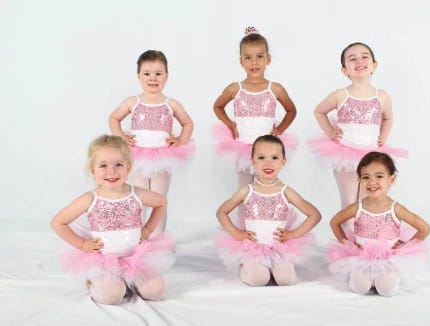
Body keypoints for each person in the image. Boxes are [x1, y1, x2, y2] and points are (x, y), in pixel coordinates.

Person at [50, 135, 175, 305]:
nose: (112, 172)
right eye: (103, 166)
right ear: (93, 170)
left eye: (118, 164)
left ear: (128, 167)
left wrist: (146, 230)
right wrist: (82, 244)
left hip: (134, 257)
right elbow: (58, 222)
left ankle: (130, 282)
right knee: (111, 296)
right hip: (103, 260)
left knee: (156, 291)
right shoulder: (90, 198)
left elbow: (161, 203)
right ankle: (95, 282)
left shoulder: (136, 193)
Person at [309, 42, 407, 216]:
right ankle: (348, 237)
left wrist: (383, 137)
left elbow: (388, 117)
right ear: (345, 70)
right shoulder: (341, 95)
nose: (359, 61)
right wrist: (331, 132)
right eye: (352, 59)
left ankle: (364, 236)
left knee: (368, 198)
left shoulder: (382, 96)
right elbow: (319, 111)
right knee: (348, 200)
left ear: (374, 65)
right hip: (345, 152)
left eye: (364, 57)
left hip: (371, 153)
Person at [215, 135, 321, 286]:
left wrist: (294, 234)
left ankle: (272, 267)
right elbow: (222, 212)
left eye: (275, 157)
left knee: (287, 280)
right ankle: (248, 266)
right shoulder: (247, 190)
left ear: (283, 162)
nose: (268, 163)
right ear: (252, 161)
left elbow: (314, 215)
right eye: (261, 157)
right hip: (253, 246)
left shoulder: (286, 191)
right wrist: (237, 233)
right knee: (259, 280)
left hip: (278, 247)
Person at [109, 50, 194, 234]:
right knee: (137, 197)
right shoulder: (133, 101)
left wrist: (180, 140)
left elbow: (187, 123)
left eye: (158, 73)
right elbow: (114, 118)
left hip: (163, 157)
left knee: (159, 198)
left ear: (166, 76)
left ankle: (158, 240)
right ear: (139, 76)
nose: (152, 78)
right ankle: (135, 236)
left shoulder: (171, 103)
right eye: (147, 74)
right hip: (137, 156)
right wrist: (122, 136)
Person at [327, 152, 430, 296]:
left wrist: (406, 245)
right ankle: (363, 278)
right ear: (359, 180)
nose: (372, 182)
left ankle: (385, 278)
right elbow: (335, 222)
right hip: (362, 256)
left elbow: (424, 228)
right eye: (366, 177)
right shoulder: (358, 207)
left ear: (391, 179)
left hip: (389, 258)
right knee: (360, 287)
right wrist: (347, 243)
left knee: (387, 290)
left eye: (379, 176)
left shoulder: (396, 208)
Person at [213, 26, 297, 187]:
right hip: (241, 144)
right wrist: (229, 123)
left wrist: (280, 129)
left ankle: (263, 212)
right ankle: (243, 212)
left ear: (268, 59)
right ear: (241, 61)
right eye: (248, 57)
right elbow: (218, 106)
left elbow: (291, 110)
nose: (254, 62)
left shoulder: (275, 88)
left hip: (267, 149)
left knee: (265, 185)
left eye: (259, 56)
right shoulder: (235, 88)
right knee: (244, 188)